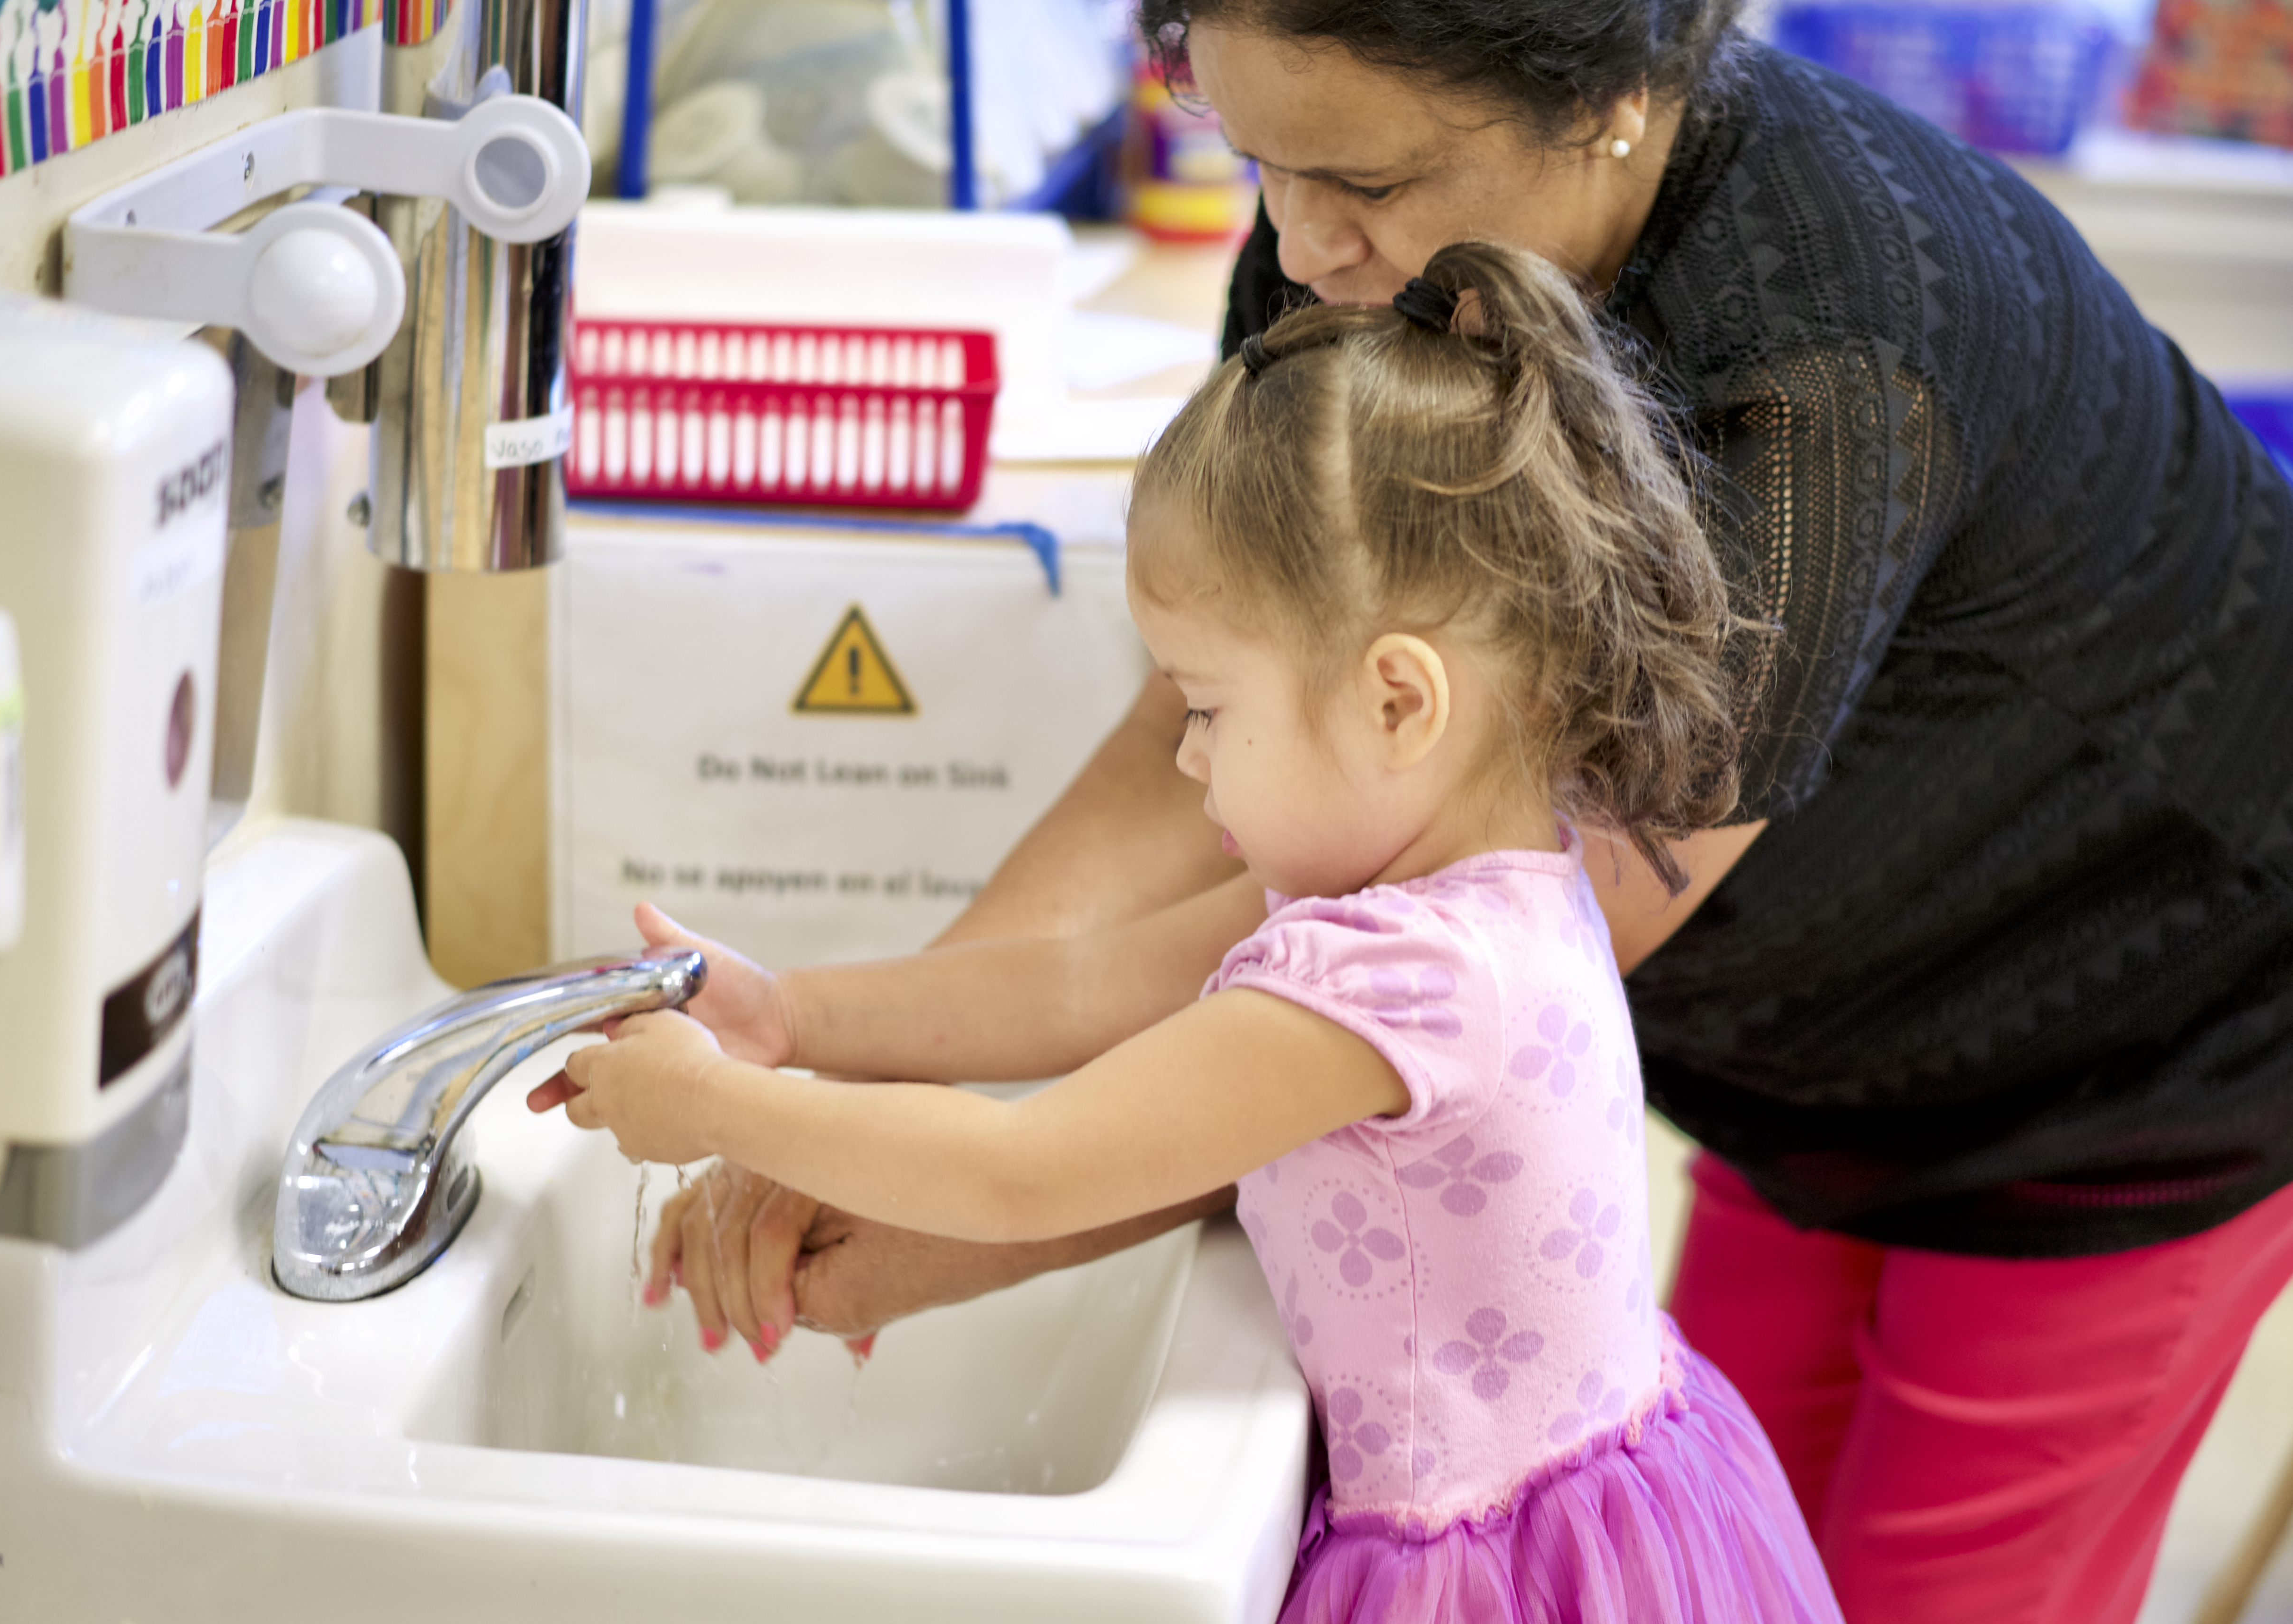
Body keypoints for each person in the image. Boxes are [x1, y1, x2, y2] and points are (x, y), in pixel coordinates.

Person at [639, 5, 2293, 1619]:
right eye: (1254, 154)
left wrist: (960, 1201)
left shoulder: (1824, 365)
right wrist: (834, 1050)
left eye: (1360, 181)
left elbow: (1297, 1030)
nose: (1296, 246)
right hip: (1801, 1061)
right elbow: (1200, 737)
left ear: (1613, 97)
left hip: (2129, 1059)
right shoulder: (1350, 251)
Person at [535, 242, 1841, 1624]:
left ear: (1400, 702)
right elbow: (1085, 980)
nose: (1186, 759)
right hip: (1616, 1494)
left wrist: (716, 1107)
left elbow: (1026, 1171)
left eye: (1205, 706)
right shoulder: (1457, 879)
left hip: (1479, 1571)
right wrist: (791, 1016)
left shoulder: (1406, 982)